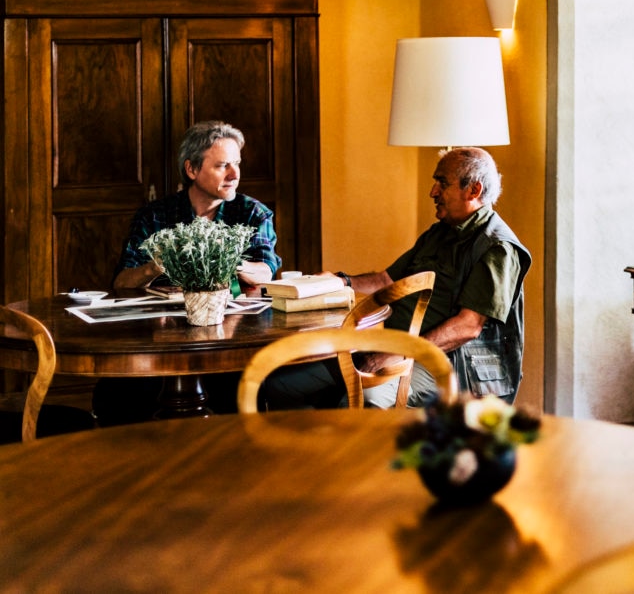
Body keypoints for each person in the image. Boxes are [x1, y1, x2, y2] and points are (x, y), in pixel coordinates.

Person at [262, 147, 531, 409]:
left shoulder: (498, 248)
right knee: (281, 386)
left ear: (474, 190)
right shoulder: (439, 234)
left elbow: (467, 327)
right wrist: (341, 280)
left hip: (448, 363)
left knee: (362, 401)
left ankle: (352, 451)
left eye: (442, 183)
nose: (432, 192)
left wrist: (399, 352)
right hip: (391, 345)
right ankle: (315, 452)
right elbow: (384, 281)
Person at [94, 121, 283, 425]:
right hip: (162, 339)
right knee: (117, 395)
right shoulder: (155, 216)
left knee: (235, 395)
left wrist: (221, 255)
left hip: (230, 337)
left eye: (237, 164)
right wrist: (157, 264)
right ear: (192, 170)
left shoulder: (252, 213)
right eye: (223, 166)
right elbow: (121, 281)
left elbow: (266, 271)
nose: (234, 175)